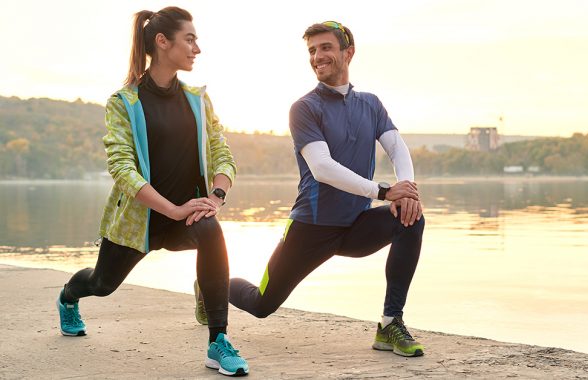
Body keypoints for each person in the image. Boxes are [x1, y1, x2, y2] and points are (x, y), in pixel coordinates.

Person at [196, 20, 426, 358]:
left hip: (355, 226)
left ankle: (390, 323)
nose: (318, 56)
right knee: (262, 304)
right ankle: (208, 286)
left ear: (348, 52)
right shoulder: (305, 108)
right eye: (312, 51)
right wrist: (383, 192)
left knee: (412, 219)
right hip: (311, 228)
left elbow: (397, 147)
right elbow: (322, 168)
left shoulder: (371, 104)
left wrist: (406, 193)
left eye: (326, 48)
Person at [54, 7, 248, 376]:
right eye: (189, 39)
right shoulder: (124, 102)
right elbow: (122, 169)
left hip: (187, 215)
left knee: (211, 231)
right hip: (138, 222)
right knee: (102, 283)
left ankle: (217, 342)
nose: (197, 48)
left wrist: (217, 197)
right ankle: (67, 297)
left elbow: (222, 152)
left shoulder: (198, 99)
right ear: (162, 42)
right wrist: (171, 210)